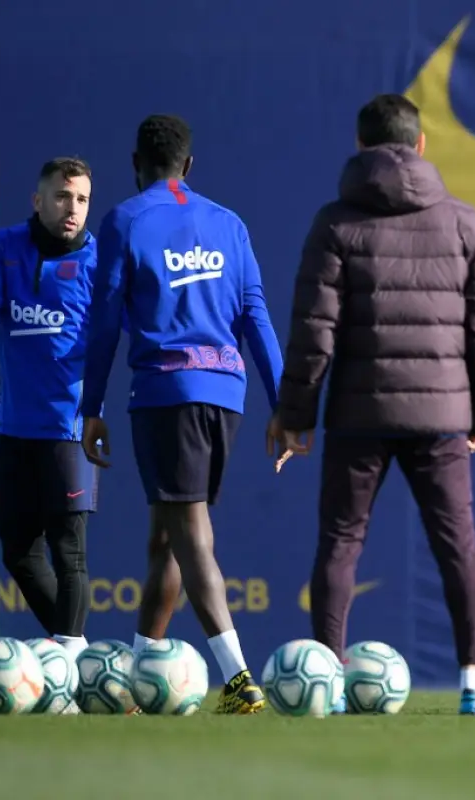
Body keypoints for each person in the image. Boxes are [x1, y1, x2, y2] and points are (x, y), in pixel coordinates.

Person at [273, 94, 475, 717]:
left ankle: (324, 676)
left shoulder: (334, 223)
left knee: (341, 542)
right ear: (422, 145)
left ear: (360, 146)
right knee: (459, 546)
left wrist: (296, 414)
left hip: (358, 416)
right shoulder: (467, 222)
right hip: (442, 419)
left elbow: (313, 330)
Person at [80, 114, 282, 714]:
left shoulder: (125, 219)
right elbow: (256, 317)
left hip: (168, 393)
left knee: (188, 530)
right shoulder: (229, 223)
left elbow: (105, 324)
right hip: (227, 395)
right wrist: (283, 403)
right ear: (188, 166)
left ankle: (239, 678)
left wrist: (89, 408)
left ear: (136, 163)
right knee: (164, 537)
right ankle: (143, 669)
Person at [0, 157, 98, 659]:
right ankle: (83, 659)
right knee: (20, 554)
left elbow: (120, 330)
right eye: (63, 197)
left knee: (70, 553)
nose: (73, 209)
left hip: (68, 430)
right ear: (38, 200)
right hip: (16, 433)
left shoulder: (97, 261)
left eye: (83, 199)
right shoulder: (4, 249)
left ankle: (72, 661)